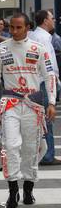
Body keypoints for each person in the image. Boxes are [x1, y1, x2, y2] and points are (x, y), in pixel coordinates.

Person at [0, 13, 56, 208]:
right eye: (11, 27)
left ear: (28, 28)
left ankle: (28, 189)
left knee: (31, 148)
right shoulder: (0, 49)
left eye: (19, 27)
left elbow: (49, 75)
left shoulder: (39, 49)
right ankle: (12, 191)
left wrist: (51, 102)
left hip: (34, 105)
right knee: (10, 145)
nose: (14, 31)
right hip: (9, 104)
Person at [29, 10, 61, 165]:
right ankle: (48, 155)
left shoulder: (35, 36)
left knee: (39, 119)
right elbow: (48, 66)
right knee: (48, 118)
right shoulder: (43, 38)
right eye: (52, 18)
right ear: (45, 21)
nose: (54, 20)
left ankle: (41, 153)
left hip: (36, 82)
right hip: (44, 82)